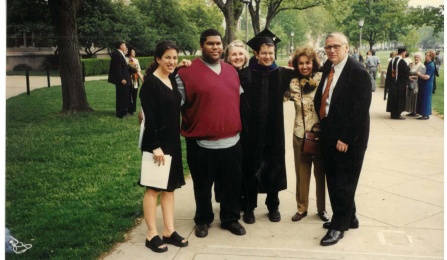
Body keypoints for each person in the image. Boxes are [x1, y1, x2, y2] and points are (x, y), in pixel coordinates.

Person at [176, 29, 246, 238]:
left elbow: (236, 99)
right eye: (210, 44)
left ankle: (230, 218)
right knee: (202, 186)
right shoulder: (186, 74)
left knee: (231, 185)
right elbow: (172, 103)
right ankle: (203, 220)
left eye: (218, 44)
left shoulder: (232, 71)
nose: (215, 47)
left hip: (231, 142)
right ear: (201, 45)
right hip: (201, 143)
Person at [314, 32, 371, 246]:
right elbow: (324, 97)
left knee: (343, 183)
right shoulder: (329, 68)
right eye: (328, 47)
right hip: (329, 132)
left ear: (347, 47)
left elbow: (359, 110)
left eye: (336, 46)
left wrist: (346, 138)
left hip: (349, 138)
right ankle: (350, 217)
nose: (332, 50)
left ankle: (339, 225)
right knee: (336, 179)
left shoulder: (358, 72)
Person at [240, 29, 294, 224]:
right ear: (256, 54)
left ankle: (273, 205)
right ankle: (249, 207)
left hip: (274, 131)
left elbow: (311, 68)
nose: (268, 56)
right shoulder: (245, 75)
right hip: (251, 131)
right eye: (264, 53)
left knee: (273, 166)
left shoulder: (281, 74)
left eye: (271, 53)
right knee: (250, 167)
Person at [139, 40, 188, 253]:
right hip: (156, 144)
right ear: (157, 59)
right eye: (167, 57)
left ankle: (169, 230)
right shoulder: (151, 83)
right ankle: (151, 234)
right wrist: (154, 146)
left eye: (175, 57)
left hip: (172, 141)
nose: (172, 61)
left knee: (169, 188)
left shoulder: (170, 79)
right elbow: (148, 118)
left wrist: (183, 66)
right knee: (153, 189)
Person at [288, 46, 329, 223]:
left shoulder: (323, 79)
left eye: (308, 63)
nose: (304, 66)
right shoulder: (292, 82)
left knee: (321, 174)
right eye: (301, 63)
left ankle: (321, 208)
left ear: (314, 62)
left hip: (320, 135)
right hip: (300, 134)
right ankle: (302, 207)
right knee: (301, 172)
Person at [384, 46, 409, 120]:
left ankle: (393, 113)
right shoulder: (402, 62)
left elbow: (389, 72)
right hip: (400, 84)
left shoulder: (392, 60)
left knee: (392, 98)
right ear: (403, 52)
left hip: (392, 83)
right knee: (399, 98)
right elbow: (406, 73)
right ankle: (397, 114)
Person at [108, 40, 131, 118]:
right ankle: (120, 113)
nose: (125, 46)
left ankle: (124, 111)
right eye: (124, 45)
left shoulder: (121, 54)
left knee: (125, 96)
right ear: (120, 46)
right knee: (121, 96)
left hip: (126, 78)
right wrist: (121, 78)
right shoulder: (117, 54)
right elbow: (117, 68)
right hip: (122, 79)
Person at [416, 51, 436, 120]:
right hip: (423, 84)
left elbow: (427, 76)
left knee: (426, 98)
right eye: (425, 55)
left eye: (427, 55)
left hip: (427, 84)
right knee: (422, 98)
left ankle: (425, 114)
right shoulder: (426, 63)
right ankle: (422, 113)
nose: (425, 56)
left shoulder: (431, 65)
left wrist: (419, 74)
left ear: (431, 57)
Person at [126, 47, 144, 115]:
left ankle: (133, 109)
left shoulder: (136, 60)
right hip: (129, 78)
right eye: (133, 52)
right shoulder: (126, 59)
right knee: (128, 94)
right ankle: (128, 109)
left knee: (134, 94)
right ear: (130, 52)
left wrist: (142, 79)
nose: (134, 53)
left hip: (135, 79)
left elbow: (138, 71)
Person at [406, 53, 425, 117]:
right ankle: (411, 111)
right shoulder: (413, 65)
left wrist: (413, 77)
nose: (416, 58)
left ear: (420, 58)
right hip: (410, 83)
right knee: (411, 97)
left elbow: (421, 76)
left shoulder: (422, 66)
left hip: (416, 83)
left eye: (418, 57)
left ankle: (416, 111)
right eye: (415, 57)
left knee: (415, 97)